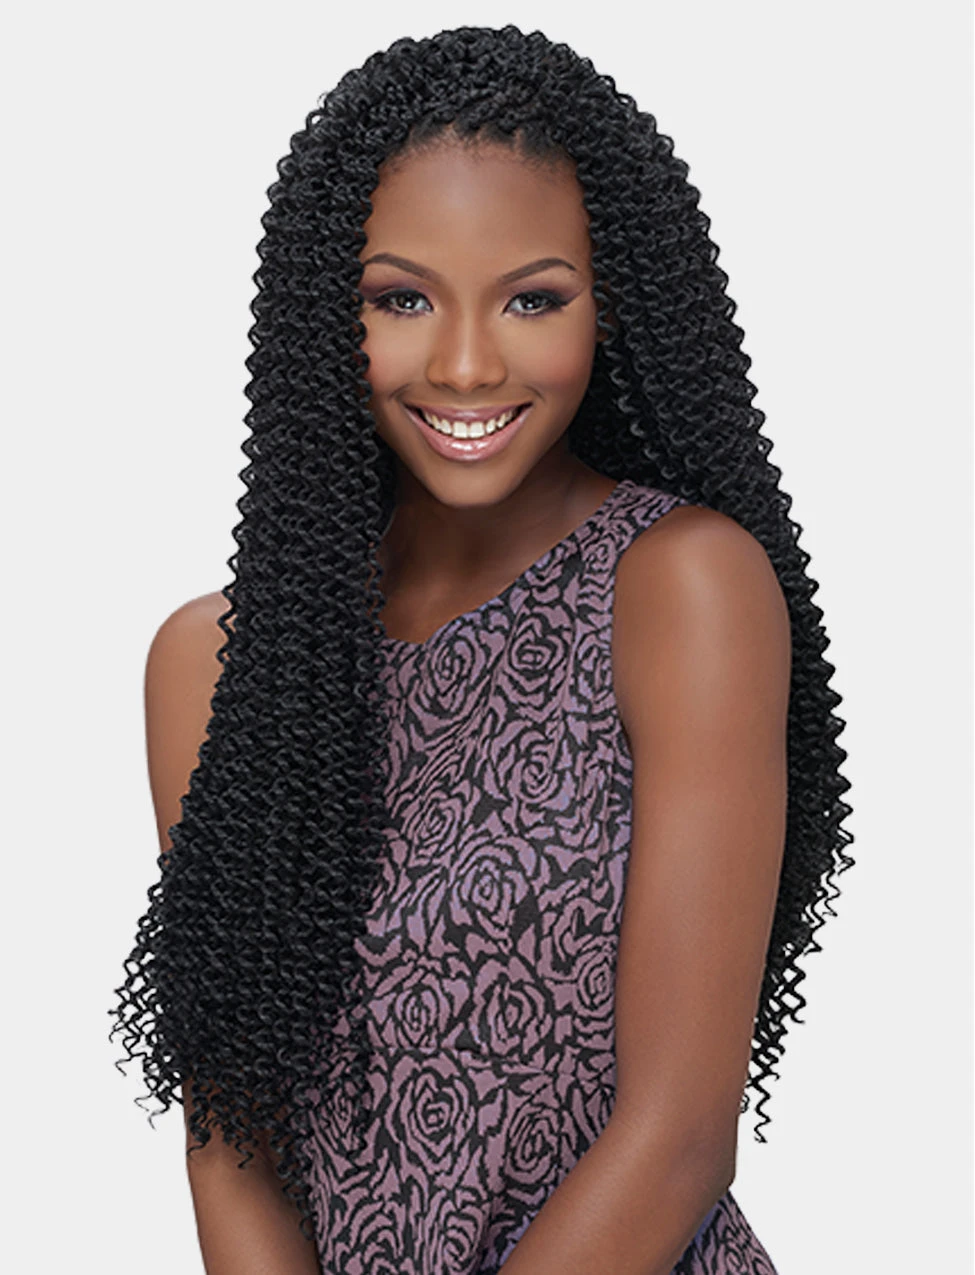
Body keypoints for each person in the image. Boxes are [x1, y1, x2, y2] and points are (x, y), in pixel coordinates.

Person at [109, 24, 855, 1275]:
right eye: (401, 299)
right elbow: (230, 1141)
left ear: (612, 307)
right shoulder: (215, 668)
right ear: (325, 315)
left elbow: (679, 1137)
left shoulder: (680, 590)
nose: (464, 365)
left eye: (532, 299)